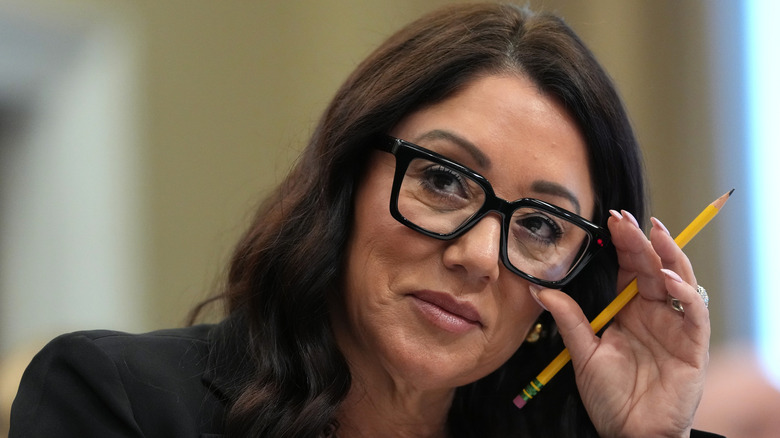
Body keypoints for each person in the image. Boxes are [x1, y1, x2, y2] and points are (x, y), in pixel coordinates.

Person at [9, 3, 722, 437]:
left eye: (539, 226)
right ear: (347, 179)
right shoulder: (114, 399)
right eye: (444, 180)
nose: (478, 256)